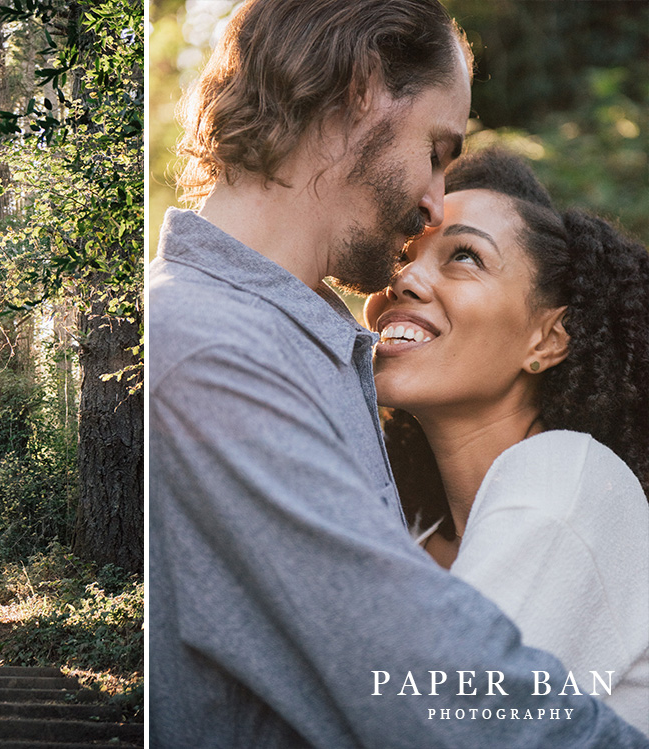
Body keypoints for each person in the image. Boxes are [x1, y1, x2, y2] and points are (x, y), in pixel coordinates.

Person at [147, 0, 649, 746]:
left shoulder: (306, 349)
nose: (432, 202)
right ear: (364, 85)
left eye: (465, 255)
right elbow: (442, 701)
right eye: (438, 149)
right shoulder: (212, 351)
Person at [363, 147, 649, 733]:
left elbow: (432, 729)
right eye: (402, 257)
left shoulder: (568, 480)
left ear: (547, 339)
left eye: (464, 257)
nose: (404, 280)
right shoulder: (405, 525)